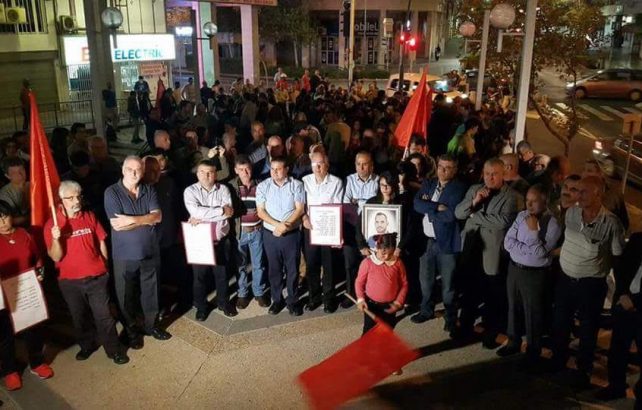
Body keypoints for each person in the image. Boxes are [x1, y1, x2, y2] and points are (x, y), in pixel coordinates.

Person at [550, 176, 625, 388]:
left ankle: (583, 371)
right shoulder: (572, 213)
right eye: (577, 191)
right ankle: (558, 359)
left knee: (588, 329)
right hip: (565, 280)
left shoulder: (611, 224)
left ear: (598, 194)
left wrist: (620, 289)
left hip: (590, 285)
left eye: (583, 191)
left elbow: (618, 257)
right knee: (560, 322)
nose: (578, 195)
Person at [45, 181, 129, 365]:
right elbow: (56, 257)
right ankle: (87, 345)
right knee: (79, 317)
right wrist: (56, 238)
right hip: (70, 282)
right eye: (71, 198)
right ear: (61, 201)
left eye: (78, 196)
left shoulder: (89, 216)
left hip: (96, 278)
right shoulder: (52, 224)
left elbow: (101, 241)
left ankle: (114, 350)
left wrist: (105, 267)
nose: (76, 201)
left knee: (104, 317)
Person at [104, 156, 172, 349]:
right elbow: (118, 225)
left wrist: (132, 220)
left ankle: (151, 326)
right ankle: (132, 331)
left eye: (138, 170)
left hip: (150, 251)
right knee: (126, 296)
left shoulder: (148, 189)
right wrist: (146, 219)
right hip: (125, 256)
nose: (134, 173)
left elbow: (158, 216)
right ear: (122, 170)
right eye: (130, 169)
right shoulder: (112, 192)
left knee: (152, 291)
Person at [454, 158, 520, 347]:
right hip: (472, 250)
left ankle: (491, 333)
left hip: (492, 255)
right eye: (487, 174)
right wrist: (475, 201)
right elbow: (458, 213)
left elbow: (503, 222)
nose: (490, 178)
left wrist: (473, 214)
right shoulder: (475, 190)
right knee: (469, 293)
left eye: (494, 174)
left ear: (503, 174)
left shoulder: (511, 196)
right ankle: (464, 328)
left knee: (493, 297)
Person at [498, 184, 562, 363]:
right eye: (527, 200)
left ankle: (533, 351)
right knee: (513, 307)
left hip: (534, 274)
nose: (529, 204)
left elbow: (540, 254)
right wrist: (525, 250)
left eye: (534, 201)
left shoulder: (553, 224)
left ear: (545, 201)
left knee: (532, 312)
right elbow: (508, 242)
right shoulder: (521, 216)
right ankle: (513, 341)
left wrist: (534, 232)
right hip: (515, 269)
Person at [0, 200, 54, 391]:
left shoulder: (24, 234)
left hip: (28, 292)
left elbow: (37, 258)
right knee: (5, 335)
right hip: (5, 296)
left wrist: (40, 273)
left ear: (11, 216)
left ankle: (37, 363)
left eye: (5, 217)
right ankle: (10, 370)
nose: (2, 222)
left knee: (34, 329)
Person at [412, 155, 467, 332]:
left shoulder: (459, 188)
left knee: (448, 285)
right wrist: (436, 207)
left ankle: (450, 318)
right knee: (425, 280)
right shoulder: (429, 183)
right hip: (427, 241)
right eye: (441, 166)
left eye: (448, 167)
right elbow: (416, 204)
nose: (443, 170)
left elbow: (450, 215)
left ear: (455, 170)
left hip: (447, 242)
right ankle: (426, 310)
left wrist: (428, 206)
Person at [184, 160, 238, 320]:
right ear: (197, 174)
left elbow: (228, 213)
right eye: (203, 172)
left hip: (220, 239)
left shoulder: (223, 189)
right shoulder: (190, 191)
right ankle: (201, 307)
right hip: (199, 239)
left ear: (215, 174)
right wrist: (220, 211)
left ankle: (223, 303)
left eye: (210, 172)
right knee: (199, 277)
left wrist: (201, 215)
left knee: (222, 274)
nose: (207, 175)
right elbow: (195, 211)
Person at [596, 232, 642, 405]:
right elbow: (622, 268)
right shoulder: (637, 239)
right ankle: (616, 386)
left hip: (638, 305)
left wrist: (635, 301)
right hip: (625, 302)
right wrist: (623, 294)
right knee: (617, 349)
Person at [256, 156, 306, 316]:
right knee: (274, 269)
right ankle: (277, 300)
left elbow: (299, 209)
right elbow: (260, 211)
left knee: (293, 269)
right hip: (271, 234)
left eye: (278, 169)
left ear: (287, 169)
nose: (275, 172)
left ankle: (293, 300)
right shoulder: (263, 186)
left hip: (291, 234)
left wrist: (286, 225)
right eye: (272, 169)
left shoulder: (297, 185)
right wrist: (277, 225)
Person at [301, 152, 345, 313]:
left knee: (329, 265)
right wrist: (304, 217)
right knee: (311, 264)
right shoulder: (304, 181)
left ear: (327, 165)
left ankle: (329, 298)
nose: (317, 167)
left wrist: (338, 232)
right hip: (310, 228)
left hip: (328, 228)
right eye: (314, 164)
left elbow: (338, 207)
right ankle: (314, 297)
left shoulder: (336, 182)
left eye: (321, 163)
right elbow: (300, 205)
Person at [229, 155, 270, 309]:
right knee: (240, 265)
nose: (245, 172)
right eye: (241, 169)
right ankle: (242, 293)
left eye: (247, 169)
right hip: (240, 232)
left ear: (251, 168)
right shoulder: (231, 187)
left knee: (258, 264)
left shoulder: (260, 184)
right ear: (235, 170)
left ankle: (259, 291)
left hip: (257, 230)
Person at [342, 151, 379, 308]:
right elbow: (347, 205)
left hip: (371, 229)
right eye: (358, 164)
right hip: (352, 227)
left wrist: (358, 201)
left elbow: (377, 205)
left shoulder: (378, 181)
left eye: (365, 164)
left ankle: (369, 294)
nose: (361, 167)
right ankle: (351, 294)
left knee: (370, 263)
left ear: (371, 166)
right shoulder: (349, 180)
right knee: (350, 263)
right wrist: (364, 203)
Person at [356, 233, 408, 334]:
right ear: (377, 248)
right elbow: (359, 282)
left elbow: (404, 284)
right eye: (383, 253)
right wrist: (361, 299)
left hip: (390, 305)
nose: (386, 257)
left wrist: (398, 302)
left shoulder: (398, 263)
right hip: (372, 305)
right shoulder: (368, 263)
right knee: (369, 331)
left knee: (387, 330)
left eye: (390, 254)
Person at [0, 157, 30, 226]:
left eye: (21, 170)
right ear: (7, 176)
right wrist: (29, 217)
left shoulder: (33, 185)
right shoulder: (4, 194)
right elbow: (7, 221)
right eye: (14, 173)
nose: (20, 175)